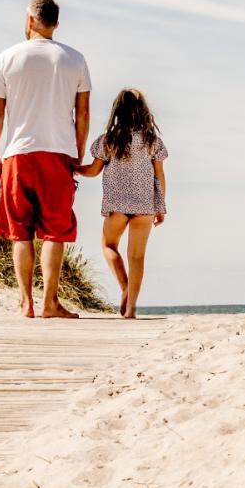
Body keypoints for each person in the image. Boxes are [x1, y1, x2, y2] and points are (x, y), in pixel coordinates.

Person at [0, 0, 91, 319]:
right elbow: (83, 112)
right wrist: (78, 151)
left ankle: (26, 302)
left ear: (30, 20)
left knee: (20, 231)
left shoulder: (7, 57)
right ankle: (50, 302)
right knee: (55, 231)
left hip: (18, 154)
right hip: (58, 152)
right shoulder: (75, 59)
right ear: (56, 24)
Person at [76, 88, 168, 319]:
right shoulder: (152, 142)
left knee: (108, 245)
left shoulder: (109, 140)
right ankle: (131, 308)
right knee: (136, 257)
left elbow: (93, 171)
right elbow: (159, 176)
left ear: (118, 111)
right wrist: (160, 206)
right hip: (145, 206)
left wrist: (73, 168)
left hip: (117, 206)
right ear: (143, 111)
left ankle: (125, 288)